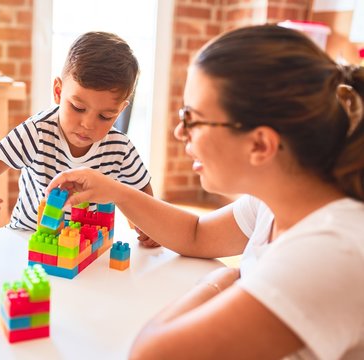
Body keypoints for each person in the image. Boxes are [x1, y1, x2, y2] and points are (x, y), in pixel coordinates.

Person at [45, 24, 364, 359]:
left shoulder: (330, 250)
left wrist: (224, 281)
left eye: (193, 118)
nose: (180, 131)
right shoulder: (275, 201)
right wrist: (116, 191)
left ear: (260, 144)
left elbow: (153, 354)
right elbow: (195, 234)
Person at [0, 31, 155, 245]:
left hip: (85, 247)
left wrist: (151, 225)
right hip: (27, 238)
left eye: (105, 116)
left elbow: (142, 190)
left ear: (119, 111)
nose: (88, 124)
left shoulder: (120, 148)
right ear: (58, 91)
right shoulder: (37, 132)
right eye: (78, 107)